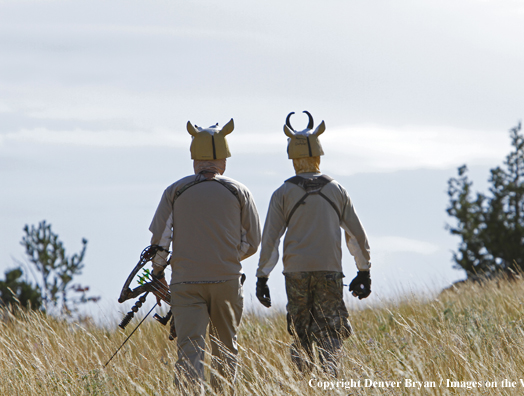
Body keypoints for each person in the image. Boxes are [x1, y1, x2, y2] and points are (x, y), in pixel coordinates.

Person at [255, 111, 371, 377]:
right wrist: (363, 270)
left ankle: (303, 383)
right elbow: (356, 234)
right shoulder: (336, 189)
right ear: (319, 154)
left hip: (295, 273)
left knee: (300, 333)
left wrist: (262, 276)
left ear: (292, 157)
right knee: (331, 332)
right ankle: (330, 381)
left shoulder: (282, 193)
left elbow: (271, 239)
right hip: (330, 271)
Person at [149, 119, 261, 392]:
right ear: (223, 158)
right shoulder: (239, 191)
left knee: (189, 352)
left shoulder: (175, 191)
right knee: (226, 349)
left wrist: (158, 274)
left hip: (185, 283)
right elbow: (253, 241)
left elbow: (160, 242)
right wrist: (226, 258)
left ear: (194, 158)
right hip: (227, 280)